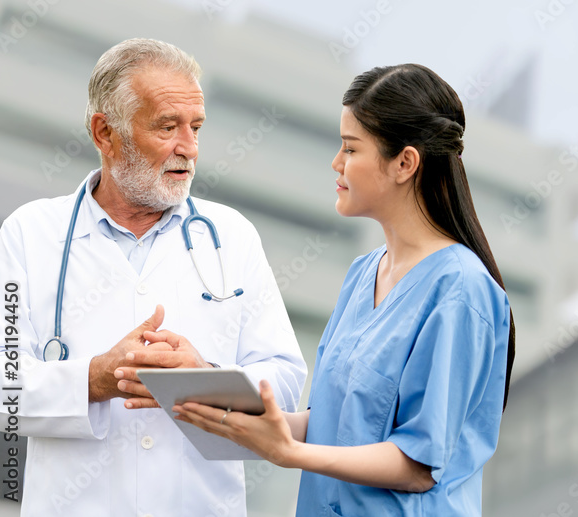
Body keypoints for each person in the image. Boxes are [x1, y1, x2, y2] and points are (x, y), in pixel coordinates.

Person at [171, 63, 516, 516]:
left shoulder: (461, 291)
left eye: (351, 148)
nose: (336, 163)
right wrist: (208, 391)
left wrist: (290, 454)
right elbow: (331, 425)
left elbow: (417, 463)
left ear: (404, 163)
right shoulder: (362, 275)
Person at [0, 38, 307, 516]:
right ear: (105, 133)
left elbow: (284, 381)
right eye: (167, 127)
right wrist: (95, 379)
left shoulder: (233, 237)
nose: (189, 148)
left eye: (196, 127)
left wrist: (205, 379)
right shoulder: (29, 234)